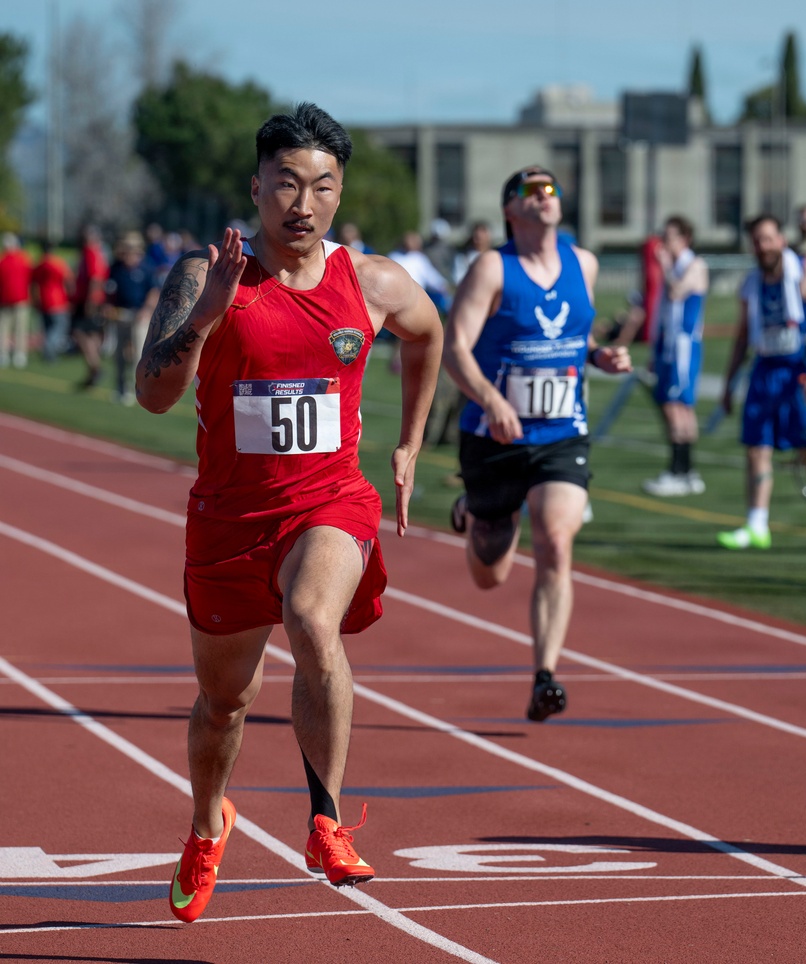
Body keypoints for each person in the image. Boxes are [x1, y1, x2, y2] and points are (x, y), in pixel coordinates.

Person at [134, 102, 442, 923]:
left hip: (330, 501)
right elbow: (153, 395)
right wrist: (206, 317)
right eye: (286, 184)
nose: (301, 203)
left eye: (320, 186)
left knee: (313, 618)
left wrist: (410, 444)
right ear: (258, 187)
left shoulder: (369, 281)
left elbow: (428, 334)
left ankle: (328, 821)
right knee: (224, 706)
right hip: (230, 522)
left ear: (338, 195)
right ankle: (207, 823)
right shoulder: (205, 276)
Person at [442, 165, 631, 722]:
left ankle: (545, 675)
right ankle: (471, 511)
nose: (545, 198)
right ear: (510, 209)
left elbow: (577, 334)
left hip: (560, 432)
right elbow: (455, 349)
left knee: (554, 540)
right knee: (489, 574)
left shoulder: (584, 263)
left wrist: (599, 356)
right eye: (532, 191)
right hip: (495, 435)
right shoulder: (491, 268)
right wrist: (492, 400)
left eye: (551, 190)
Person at [717, 214, 806, 550]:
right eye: (757, 241)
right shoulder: (751, 283)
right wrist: (729, 383)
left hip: (799, 369)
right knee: (757, 448)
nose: (762, 247)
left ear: (781, 241)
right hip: (765, 368)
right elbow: (742, 336)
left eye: (768, 239)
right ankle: (756, 523)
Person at [642, 215, 709, 497]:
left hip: (684, 347)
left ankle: (681, 470)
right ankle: (685, 471)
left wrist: (666, 266)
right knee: (673, 406)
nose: (664, 243)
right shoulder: (677, 266)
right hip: (668, 345)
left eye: (669, 237)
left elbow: (676, 291)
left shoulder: (693, 265)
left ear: (684, 238)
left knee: (677, 406)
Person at [104, 232, 160, 405]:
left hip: (139, 315)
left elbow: (153, 291)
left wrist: (146, 310)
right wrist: (108, 306)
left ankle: (140, 389)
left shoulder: (146, 268)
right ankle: (121, 388)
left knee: (138, 353)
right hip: (120, 314)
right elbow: (109, 290)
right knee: (119, 355)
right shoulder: (116, 267)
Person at [70, 224, 110, 388]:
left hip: (89, 300)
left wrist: (90, 301)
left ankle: (95, 368)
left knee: (80, 333)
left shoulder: (92, 253)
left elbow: (95, 279)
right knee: (91, 334)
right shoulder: (91, 252)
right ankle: (93, 370)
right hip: (88, 299)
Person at [31, 240, 74, 361]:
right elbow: (69, 280)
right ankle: (49, 349)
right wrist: (71, 297)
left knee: (48, 328)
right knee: (59, 327)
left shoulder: (39, 264)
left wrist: (35, 300)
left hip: (43, 300)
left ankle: (48, 351)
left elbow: (34, 284)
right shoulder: (57, 263)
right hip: (57, 300)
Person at [0, 233, 33, 368]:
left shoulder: (3, 261)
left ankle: (4, 354)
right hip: (19, 299)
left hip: (9, 299)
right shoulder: (24, 259)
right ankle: (19, 354)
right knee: (19, 328)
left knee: (4, 328)